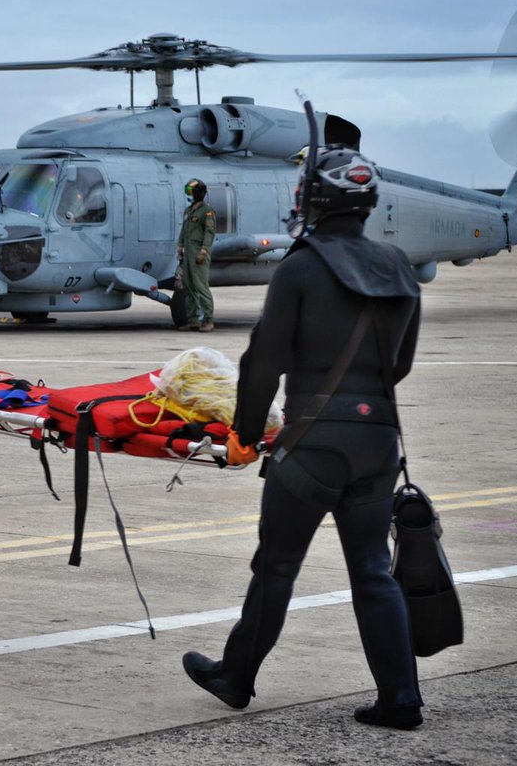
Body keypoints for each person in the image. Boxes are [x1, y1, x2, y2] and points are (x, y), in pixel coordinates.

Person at [181, 146, 425, 729]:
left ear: (313, 198)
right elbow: (400, 365)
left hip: (312, 443)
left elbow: (264, 362)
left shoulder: (300, 267)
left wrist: (244, 435)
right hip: (378, 442)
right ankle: (401, 698)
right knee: (373, 570)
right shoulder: (399, 267)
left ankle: (236, 677)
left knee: (278, 567)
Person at [176, 178, 216, 332]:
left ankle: (208, 320)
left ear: (198, 193)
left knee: (201, 287)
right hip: (188, 253)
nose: (189, 194)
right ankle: (193, 320)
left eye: (190, 191)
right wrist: (180, 245)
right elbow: (184, 230)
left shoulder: (207, 212)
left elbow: (209, 232)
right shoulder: (189, 211)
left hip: (199, 253)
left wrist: (204, 250)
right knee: (189, 286)